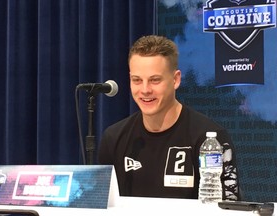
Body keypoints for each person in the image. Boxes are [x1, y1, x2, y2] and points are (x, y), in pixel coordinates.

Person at [98, 35, 240, 200]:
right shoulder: (114, 138)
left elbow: (229, 208)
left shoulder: (209, 140)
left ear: (176, 80)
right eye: (136, 80)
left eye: (155, 80)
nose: (145, 90)